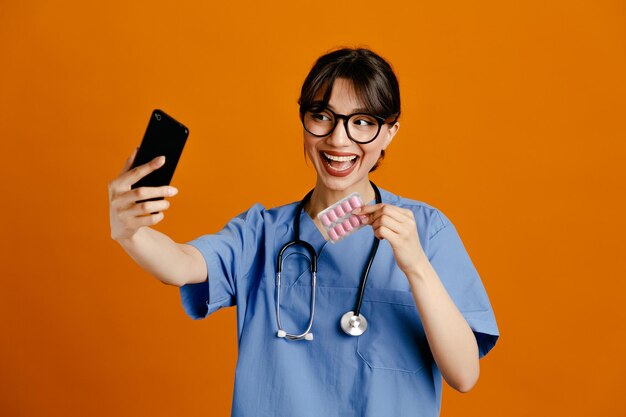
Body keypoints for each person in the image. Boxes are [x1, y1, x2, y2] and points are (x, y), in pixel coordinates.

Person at [108, 48, 499, 417]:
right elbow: (180, 265)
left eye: (362, 122)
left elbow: (464, 375)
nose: (338, 139)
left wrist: (415, 266)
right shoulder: (262, 233)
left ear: (390, 133)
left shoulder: (427, 231)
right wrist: (130, 232)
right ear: (304, 121)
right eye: (322, 116)